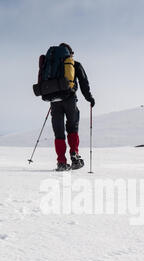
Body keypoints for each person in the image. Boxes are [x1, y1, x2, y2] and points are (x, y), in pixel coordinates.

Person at [37, 43, 95, 171]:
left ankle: (61, 162)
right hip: (69, 99)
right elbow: (84, 82)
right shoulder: (74, 64)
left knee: (58, 132)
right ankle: (74, 155)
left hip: (54, 101)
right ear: (69, 53)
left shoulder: (51, 65)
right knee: (72, 128)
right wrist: (89, 98)